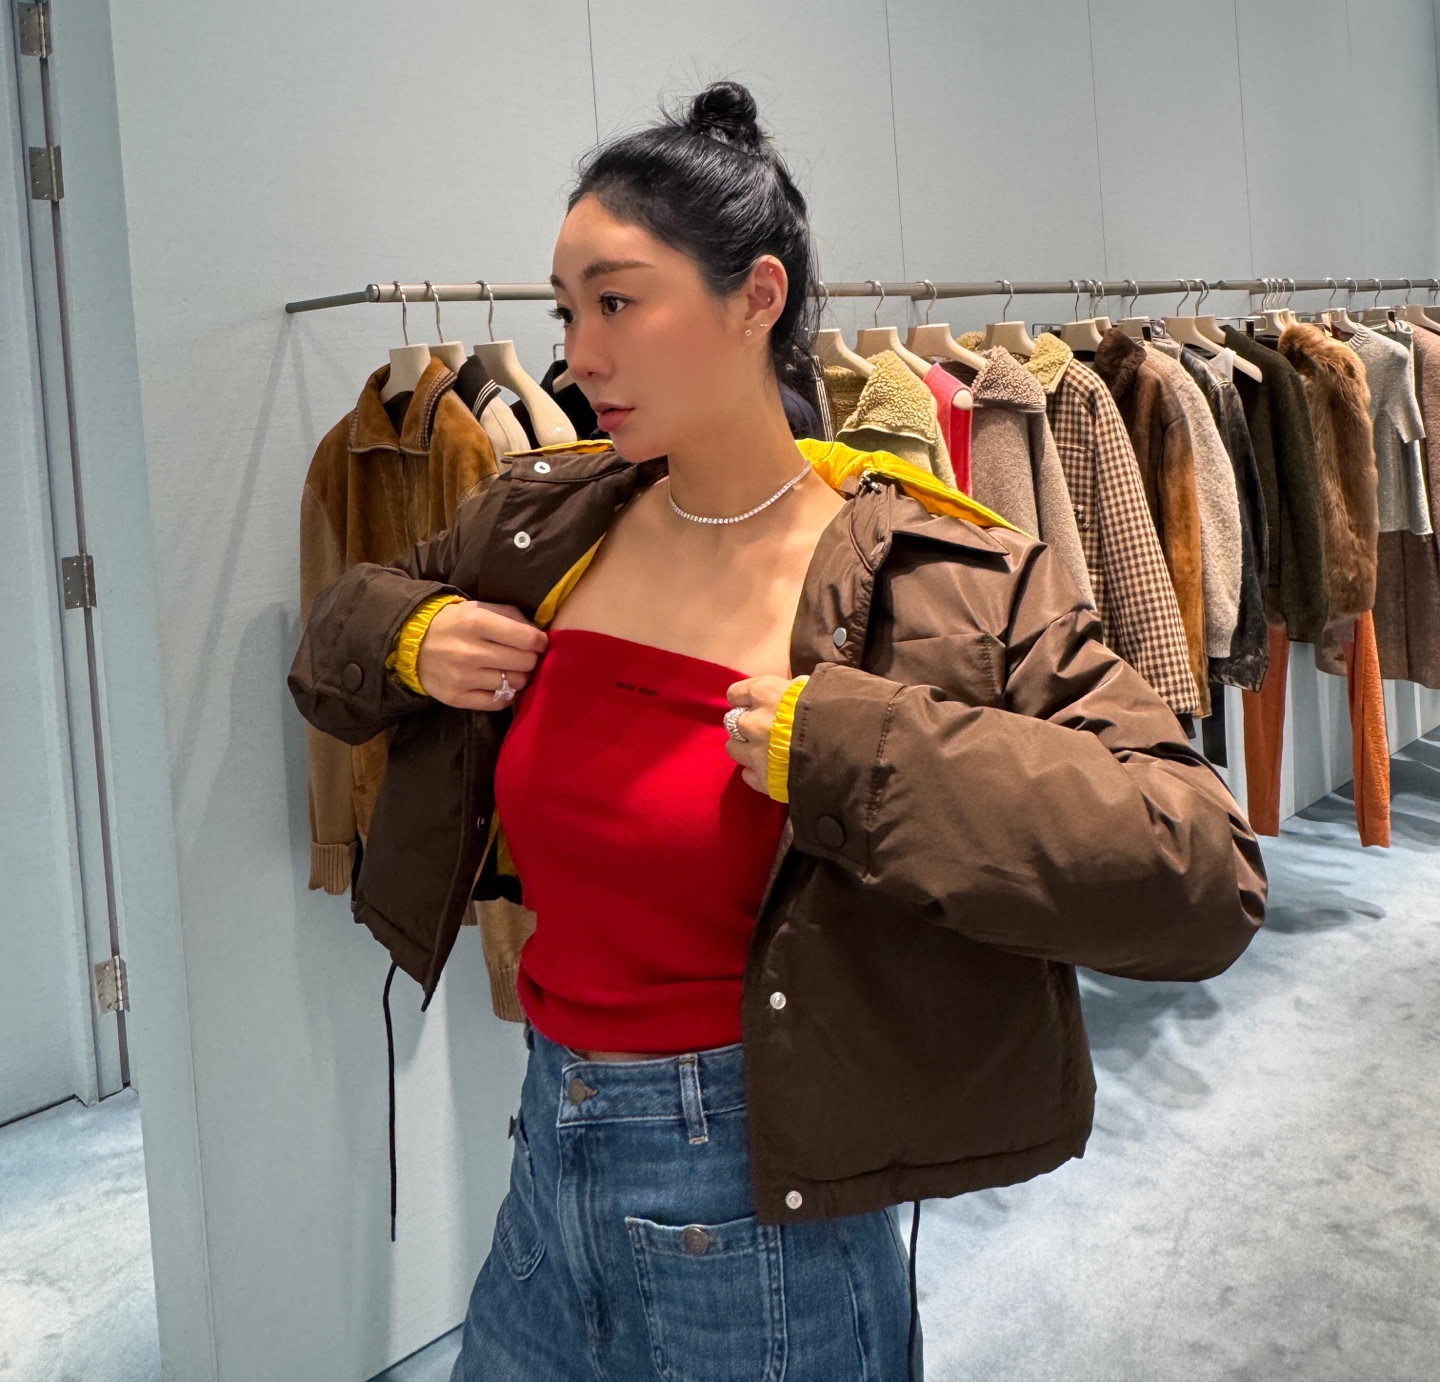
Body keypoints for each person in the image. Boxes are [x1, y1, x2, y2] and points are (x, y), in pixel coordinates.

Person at [288, 81, 1267, 1381]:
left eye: (617, 302)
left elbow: (1201, 870)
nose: (579, 355)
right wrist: (416, 636)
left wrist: (867, 754)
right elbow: (332, 647)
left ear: (757, 298)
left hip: (761, 1210)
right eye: (565, 311)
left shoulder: (940, 579)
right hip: (546, 1164)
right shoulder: (542, 525)